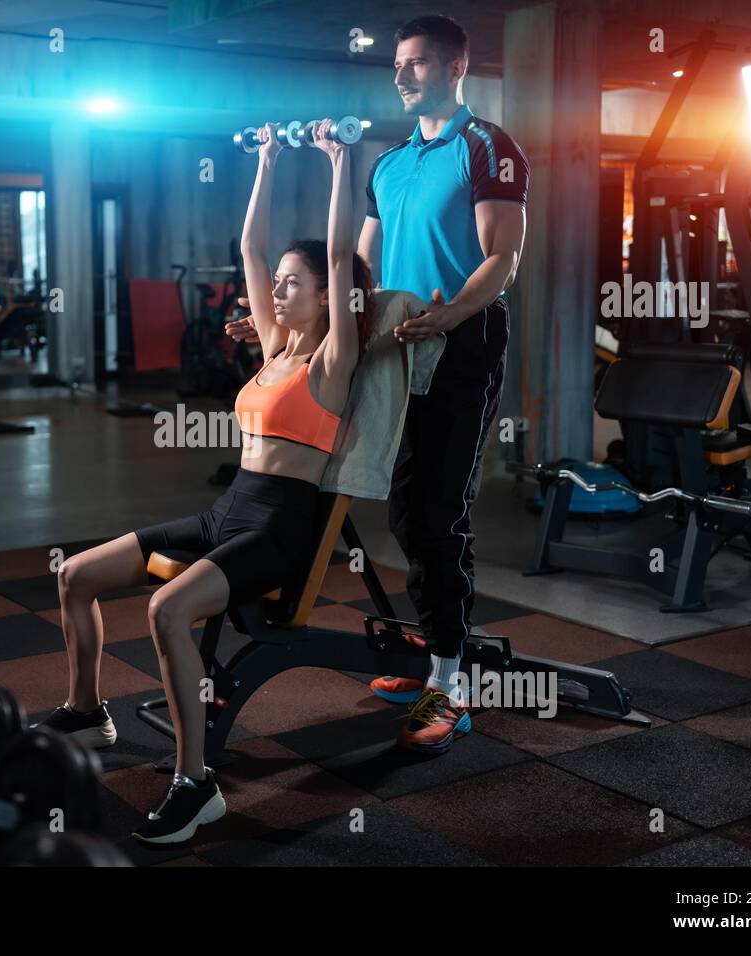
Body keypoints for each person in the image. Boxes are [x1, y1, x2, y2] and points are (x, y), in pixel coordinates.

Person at [36, 118, 375, 844]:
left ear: (326, 298)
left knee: (165, 610)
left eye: (293, 284)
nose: (276, 292)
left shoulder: (330, 364)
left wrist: (342, 163)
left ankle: (196, 784)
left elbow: (343, 254)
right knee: (76, 576)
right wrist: (268, 161)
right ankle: (87, 708)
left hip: (277, 527)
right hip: (229, 511)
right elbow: (248, 248)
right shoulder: (276, 348)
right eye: (276, 284)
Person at [229, 14, 529, 757]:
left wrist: (449, 316)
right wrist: (288, 326)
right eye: (398, 64)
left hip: (458, 346)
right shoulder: (389, 164)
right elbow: (355, 281)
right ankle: (433, 650)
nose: (402, 76)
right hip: (392, 345)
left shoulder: (487, 146)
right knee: (390, 507)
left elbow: (503, 258)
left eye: (419, 63)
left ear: (456, 67)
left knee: (434, 512)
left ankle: (450, 686)